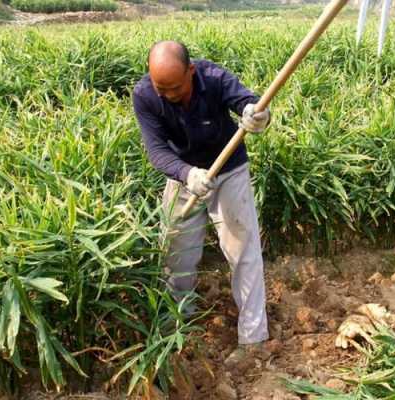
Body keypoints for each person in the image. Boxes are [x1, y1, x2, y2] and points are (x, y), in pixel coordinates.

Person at [132, 40, 270, 365]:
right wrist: (187, 173)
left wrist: (257, 115)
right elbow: (155, 150)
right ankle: (177, 328)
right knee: (174, 255)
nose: (166, 95)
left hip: (229, 171)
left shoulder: (214, 78)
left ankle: (253, 339)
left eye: (174, 87)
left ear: (191, 72)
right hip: (184, 178)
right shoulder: (145, 95)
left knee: (243, 253)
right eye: (160, 87)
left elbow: (250, 104)